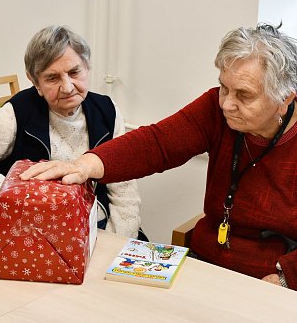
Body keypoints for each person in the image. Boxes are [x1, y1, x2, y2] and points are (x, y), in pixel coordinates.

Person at [19, 23, 297, 291]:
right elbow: (156, 144)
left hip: (270, 277)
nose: (226, 103)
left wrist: (285, 279)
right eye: (224, 88)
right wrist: (84, 165)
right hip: (207, 262)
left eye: (244, 95)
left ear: (285, 99)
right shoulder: (217, 109)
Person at [0, 25, 147, 240]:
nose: (68, 87)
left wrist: (115, 241)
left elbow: (124, 191)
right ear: (35, 82)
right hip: (35, 229)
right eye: (52, 78)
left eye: (74, 72)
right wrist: (23, 191)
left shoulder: (107, 111)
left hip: (97, 225)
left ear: (87, 67)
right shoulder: (18, 111)